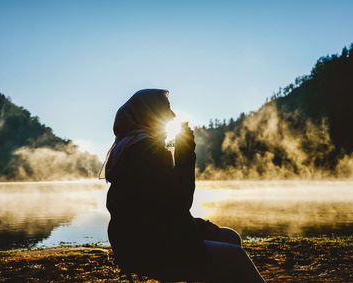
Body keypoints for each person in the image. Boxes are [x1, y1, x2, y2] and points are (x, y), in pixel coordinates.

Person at [100, 89, 265, 282]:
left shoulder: (128, 148)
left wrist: (199, 227)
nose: (173, 115)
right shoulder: (146, 151)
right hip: (151, 245)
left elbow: (161, 207)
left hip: (130, 242)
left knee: (230, 237)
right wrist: (185, 153)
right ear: (151, 114)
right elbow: (180, 201)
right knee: (236, 256)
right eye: (166, 109)